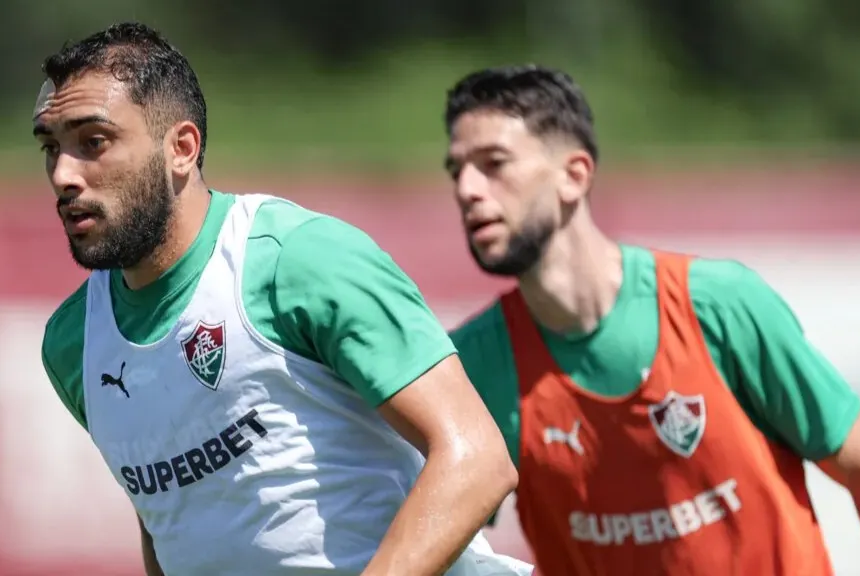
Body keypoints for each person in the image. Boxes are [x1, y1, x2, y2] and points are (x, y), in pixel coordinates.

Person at [35, 22, 533, 576]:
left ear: (182, 148)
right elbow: (168, 523)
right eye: (51, 148)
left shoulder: (298, 258)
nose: (63, 174)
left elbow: (479, 462)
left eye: (93, 143)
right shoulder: (72, 342)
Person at [441, 65, 860, 576]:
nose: (468, 190)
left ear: (575, 175)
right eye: (457, 171)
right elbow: (435, 538)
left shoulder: (717, 306)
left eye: (493, 163)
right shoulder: (472, 367)